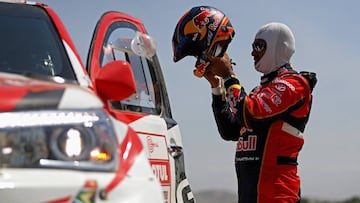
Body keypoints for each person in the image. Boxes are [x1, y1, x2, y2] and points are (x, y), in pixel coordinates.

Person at [202, 22, 317, 203]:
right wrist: (217, 87)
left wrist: (229, 76)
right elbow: (230, 130)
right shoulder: (259, 92)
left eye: (259, 46)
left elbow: (252, 114)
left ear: (279, 47)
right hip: (251, 196)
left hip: (277, 196)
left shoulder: (295, 84)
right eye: (252, 47)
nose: (253, 53)